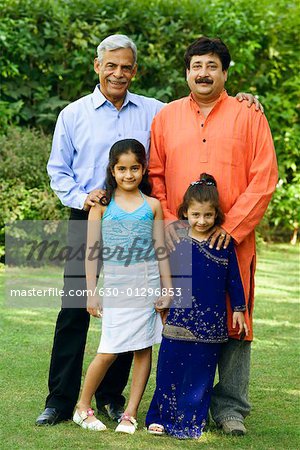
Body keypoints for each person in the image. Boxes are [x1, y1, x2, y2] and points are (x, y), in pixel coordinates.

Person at [36, 32, 263, 426]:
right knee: (75, 309)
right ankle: (59, 400)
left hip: (142, 222)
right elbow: (59, 171)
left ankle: (112, 397)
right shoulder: (73, 114)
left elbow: (197, 117)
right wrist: (83, 198)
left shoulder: (154, 111)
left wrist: (248, 98)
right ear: (97, 66)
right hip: (91, 217)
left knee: (137, 309)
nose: (118, 73)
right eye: (111, 65)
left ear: (135, 70)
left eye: (126, 66)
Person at [148, 37, 278, 435]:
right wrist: (175, 226)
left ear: (225, 72)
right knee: (182, 320)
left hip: (232, 242)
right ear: (186, 72)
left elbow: (264, 178)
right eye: (196, 66)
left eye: (211, 66)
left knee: (235, 318)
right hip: (181, 243)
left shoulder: (249, 115)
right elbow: (155, 176)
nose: (203, 73)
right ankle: (186, 401)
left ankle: (231, 407)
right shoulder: (166, 117)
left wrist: (232, 227)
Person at [73, 138, 172, 434]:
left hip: (148, 286)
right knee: (109, 350)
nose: (128, 175)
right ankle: (82, 406)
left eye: (134, 168)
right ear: (112, 170)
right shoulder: (103, 206)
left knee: (143, 349)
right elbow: (92, 252)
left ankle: (129, 413)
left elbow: (161, 250)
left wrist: (166, 289)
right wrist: (92, 291)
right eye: (122, 169)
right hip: (117, 287)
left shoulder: (152, 206)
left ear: (143, 170)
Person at [146, 173, 248, 439]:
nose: (202, 221)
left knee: (200, 374)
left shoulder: (222, 245)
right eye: (195, 215)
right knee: (170, 367)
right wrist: (164, 296)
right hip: (180, 317)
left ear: (216, 215)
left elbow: (234, 279)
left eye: (208, 216)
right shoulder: (176, 240)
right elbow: (165, 272)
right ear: (185, 213)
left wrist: (239, 308)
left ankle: (192, 421)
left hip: (211, 320)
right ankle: (160, 417)